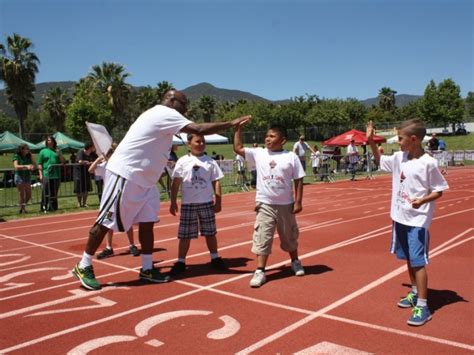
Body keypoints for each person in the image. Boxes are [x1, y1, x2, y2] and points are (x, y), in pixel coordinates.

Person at [71, 89, 251, 290]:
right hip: (126, 174)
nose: (186, 109)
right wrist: (231, 123)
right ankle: (84, 265)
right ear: (172, 101)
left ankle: (147, 268)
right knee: (106, 220)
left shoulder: (163, 118)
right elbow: (197, 128)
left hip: (145, 182)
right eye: (184, 104)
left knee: (147, 223)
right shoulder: (164, 113)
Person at [367, 118, 449, 326]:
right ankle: (414, 292)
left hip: (417, 221)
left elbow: (439, 190)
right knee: (409, 260)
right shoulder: (398, 157)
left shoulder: (428, 163)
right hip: (399, 217)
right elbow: (379, 160)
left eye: (400, 138)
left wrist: (422, 200)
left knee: (418, 262)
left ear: (413, 139)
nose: (398, 142)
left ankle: (423, 306)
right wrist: (371, 141)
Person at [234, 123, 305, 288]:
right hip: (265, 203)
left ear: (283, 140)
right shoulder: (259, 153)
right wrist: (238, 129)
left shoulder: (291, 157)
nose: (267, 138)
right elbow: (238, 148)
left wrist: (298, 201)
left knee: (289, 237)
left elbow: (299, 179)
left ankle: (295, 261)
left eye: (272, 136)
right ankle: (260, 270)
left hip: (286, 204)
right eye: (267, 135)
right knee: (262, 237)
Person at [168, 133, 227, 276]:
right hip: (188, 204)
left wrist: (218, 201)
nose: (200, 144)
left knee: (210, 233)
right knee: (185, 235)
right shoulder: (182, 161)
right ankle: (181, 261)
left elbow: (216, 181)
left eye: (203, 141)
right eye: (197, 141)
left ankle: (215, 257)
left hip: (206, 202)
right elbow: (176, 182)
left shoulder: (210, 162)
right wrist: (173, 201)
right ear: (189, 144)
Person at [88, 144, 140, 258]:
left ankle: (132, 245)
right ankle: (108, 247)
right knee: (107, 223)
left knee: (127, 221)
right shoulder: (105, 165)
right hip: (109, 201)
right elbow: (90, 170)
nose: (110, 157)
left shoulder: (121, 166)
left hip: (121, 199)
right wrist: (98, 159)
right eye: (108, 155)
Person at [37, 136, 65, 212]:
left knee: (54, 192)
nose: (50, 142)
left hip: (56, 174)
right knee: (45, 191)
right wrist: (40, 174)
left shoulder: (57, 150)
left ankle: (53, 207)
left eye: (51, 140)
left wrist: (59, 154)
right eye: (48, 140)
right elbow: (39, 163)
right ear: (46, 142)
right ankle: (43, 207)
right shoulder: (43, 151)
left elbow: (63, 162)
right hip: (46, 174)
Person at [12, 144, 37, 214]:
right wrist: (26, 166)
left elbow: (35, 165)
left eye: (28, 149)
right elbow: (16, 166)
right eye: (26, 149)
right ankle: (23, 209)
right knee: (22, 194)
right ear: (21, 150)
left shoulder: (29, 156)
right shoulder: (16, 156)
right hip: (19, 176)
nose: (27, 150)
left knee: (29, 194)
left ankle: (21, 207)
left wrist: (32, 166)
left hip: (27, 176)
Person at [74, 142, 95, 207]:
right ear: (90, 147)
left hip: (87, 173)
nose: (94, 148)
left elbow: (95, 160)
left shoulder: (92, 154)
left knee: (86, 188)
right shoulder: (81, 152)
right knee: (79, 188)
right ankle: (79, 203)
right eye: (93, 146)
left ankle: (85, 203)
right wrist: (86, 162)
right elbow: (79, 161)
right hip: (79, 173)